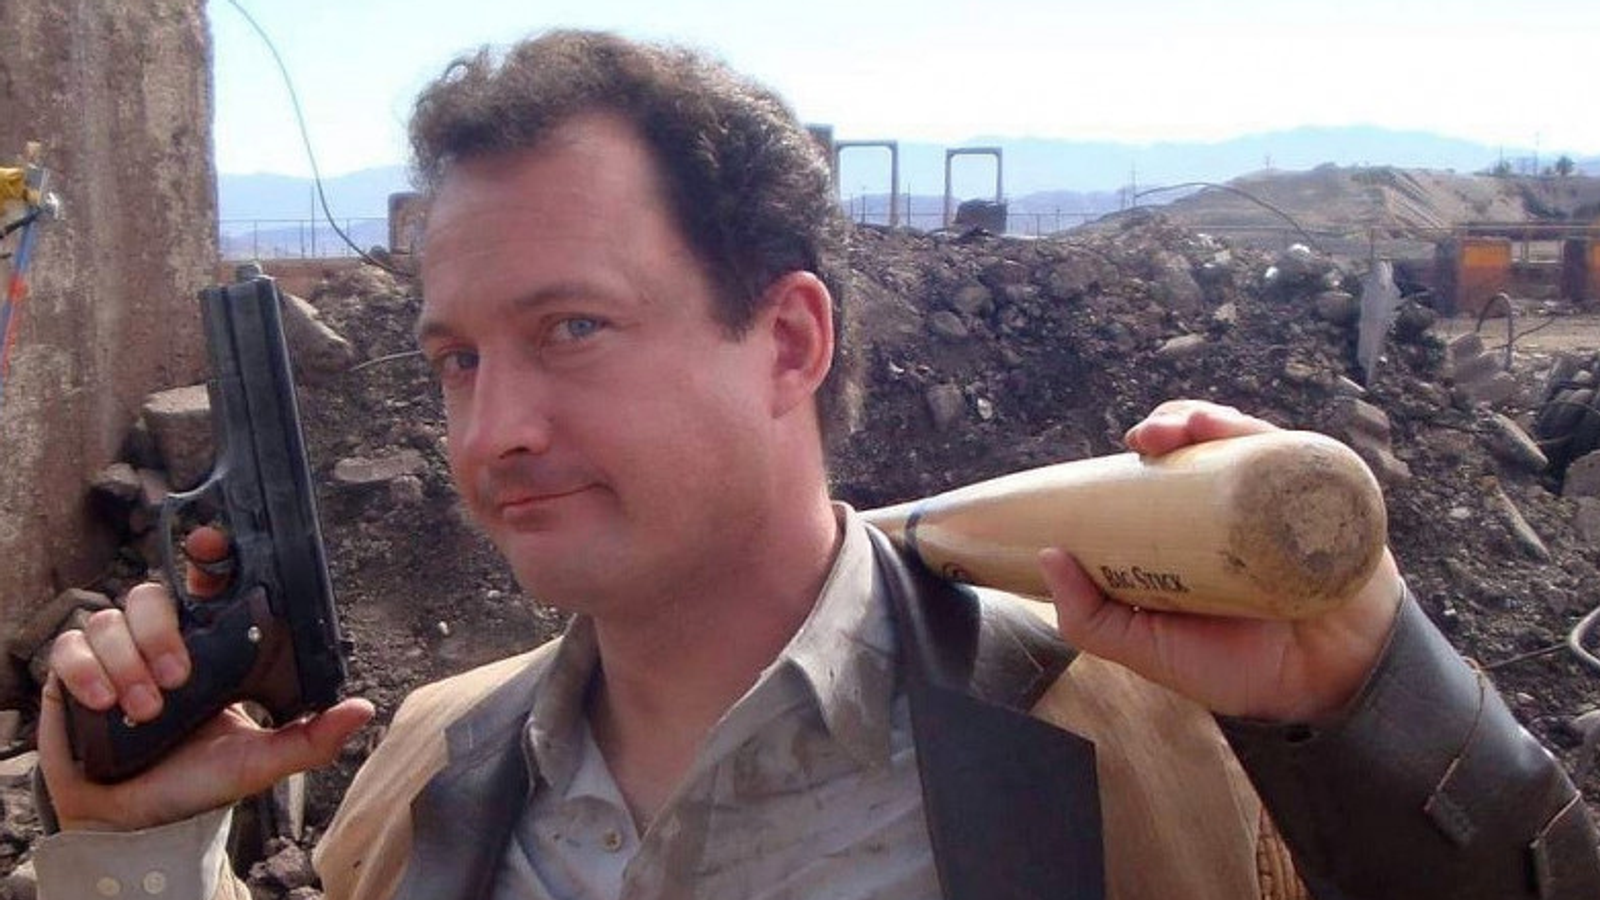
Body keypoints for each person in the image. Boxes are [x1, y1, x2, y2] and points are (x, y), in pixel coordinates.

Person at [31, 29, 1600, 900]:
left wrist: (1384, 708)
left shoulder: (1156, 747)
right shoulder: (427, 768)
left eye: (572, 328)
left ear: (787, 341)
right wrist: (136, 848)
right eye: (458, 357)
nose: (492, 428)